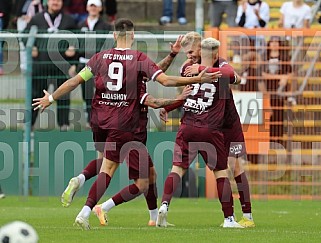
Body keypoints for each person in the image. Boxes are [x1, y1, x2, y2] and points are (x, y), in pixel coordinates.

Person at [32, 18, 216, 230]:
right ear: (133, 35)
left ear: (113, 35)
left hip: (99, 120)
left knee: (107, 164)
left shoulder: (99, 58)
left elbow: (74, 81)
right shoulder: (138, 59)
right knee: (111, 170)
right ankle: (85, 212)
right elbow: (164, 80)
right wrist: (197, 80)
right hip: (124, 123)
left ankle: (84, 181)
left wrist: (51, 98)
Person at [160, 32, 255, 228]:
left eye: (192, 52)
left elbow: (233, 76)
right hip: (210, 123)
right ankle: (229, 218)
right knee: (221, 170)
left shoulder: (220, 64)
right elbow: (187, 94)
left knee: (236, 167)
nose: (189, 57)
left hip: (229, 124)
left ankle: (248, 216)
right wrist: (168, 106)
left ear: (201, 47)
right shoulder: (188, 67)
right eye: (186, 54)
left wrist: (202, 68)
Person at [25, 0, 77, 131]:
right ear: (47, 2)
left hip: (61, 67)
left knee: (63, 96)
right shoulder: (36, 19)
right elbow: (25, 35)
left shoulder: (69, 20)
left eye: (59, 0)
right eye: (53, 0)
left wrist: (73, 47)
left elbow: (78, 39)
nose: (56, 2)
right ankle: (29, 127)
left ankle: (63, 126)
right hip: (41, 67)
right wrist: (32, 46)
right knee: (35, 96)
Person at [76, 0, 112, 127]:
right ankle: (89, 117)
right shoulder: (80, 24)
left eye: (95, 6)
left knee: (101, 91)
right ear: (87, 7)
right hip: (84, 64)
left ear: (100, 8)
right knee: (86, 92)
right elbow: (76, 45)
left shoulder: (106, 26)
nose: (93, 8)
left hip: (100, 65)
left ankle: (101, 117)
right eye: (91, 6)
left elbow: (109, 45)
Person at [262, 36, 292, 147]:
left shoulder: (285, 57)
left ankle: (278, 139)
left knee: (279, 114)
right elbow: (262, 74)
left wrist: (282, 77)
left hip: (280, 91)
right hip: (267, 90)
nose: (274, 44)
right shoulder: (264, 57)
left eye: (276, 42)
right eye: (272, 42)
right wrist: (280, 76)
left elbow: (289, 73)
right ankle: (268, 138)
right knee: (268, 114)